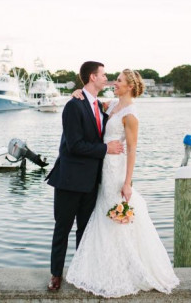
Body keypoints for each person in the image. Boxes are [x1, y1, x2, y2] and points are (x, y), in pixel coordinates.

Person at [66, 69, 179, 298]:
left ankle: (125, 270)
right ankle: (104, 267)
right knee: (104, 215)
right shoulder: (112, 105)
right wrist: (77, 92)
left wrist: (127, 183)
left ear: (129, 86)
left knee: (116, 218)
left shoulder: (130, 114)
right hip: (104, 169)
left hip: (117, 171)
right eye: (114, 79)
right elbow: (91, 103)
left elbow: (132, 151)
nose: (113, 83)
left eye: (118, 81)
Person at [45, 61, 124, 291]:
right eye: (103, 75)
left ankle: (81, 272)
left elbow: (126, 104)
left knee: (85, 231)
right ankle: (56, 275)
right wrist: (106, 149)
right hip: (69, 179)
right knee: (63, 229)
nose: (106, 78)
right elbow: (74, 145)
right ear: (92, 77)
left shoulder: (100, 105)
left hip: (92, 181)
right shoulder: (73, 106)